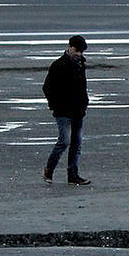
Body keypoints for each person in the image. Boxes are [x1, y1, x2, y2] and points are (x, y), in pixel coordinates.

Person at [42, 35, 91, 185]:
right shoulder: (58, 65)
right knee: (64, 141)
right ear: (69, 47)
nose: (79, 54)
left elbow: (82, 87)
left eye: (81, 51)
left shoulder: (81, 64)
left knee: (76, 144)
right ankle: (49, 170)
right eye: (77, 50)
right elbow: (47, 88)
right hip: (63, 111)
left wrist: (84, 103)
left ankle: (73, 175)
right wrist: (55, 106)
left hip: (78, 111)